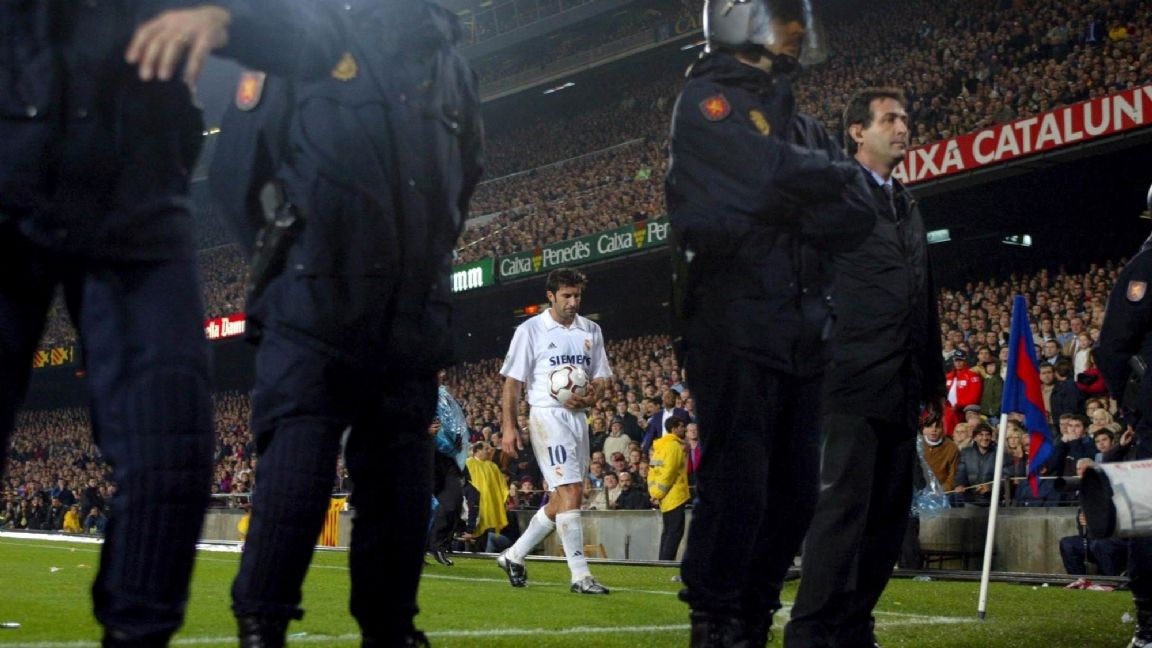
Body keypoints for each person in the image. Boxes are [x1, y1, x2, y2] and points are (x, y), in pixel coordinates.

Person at [0, 3, 295, 644]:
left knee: (171, 454)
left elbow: (313, 37)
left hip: (136, 189)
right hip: (12, 171)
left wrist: (228, 17)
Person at [209, 2, 483, 645]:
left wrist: (423, 265)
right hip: (313, 309)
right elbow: (235, 172)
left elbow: (464, 177)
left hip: (408, 314)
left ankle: (391, 630)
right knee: (298, 467)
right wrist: (291, 265)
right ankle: (263, 624)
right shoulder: (296, 39)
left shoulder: (451, 67)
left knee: (400, 483)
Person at [666, 1, 877, 644]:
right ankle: (716, 620)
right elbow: (759, 180)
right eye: (782, 17)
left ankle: (754, 616)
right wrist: (816, 183)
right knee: (738, 487)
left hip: (803, 330)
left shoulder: (802, 124)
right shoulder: (705, 102)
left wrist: (791, 192)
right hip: (732, 324)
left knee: (795, 496)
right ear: (741, 19)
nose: (796, 31)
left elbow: (860, 208)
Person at [785, 87, 944, 648]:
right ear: (857, 131)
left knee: (886, 522)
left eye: (906, 118)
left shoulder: (908, 205)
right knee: (840, 516)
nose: (903, 128)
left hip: (900, 386)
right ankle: (809, 634)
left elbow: (924, 295)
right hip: (846, 384)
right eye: (890, 119)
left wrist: (932, 381)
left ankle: (853, 629)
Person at [495, 268, 614, 594]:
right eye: (566, 296)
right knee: (571, 490)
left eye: (577, 296)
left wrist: (593, 395)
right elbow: (513, 383)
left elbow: (602, 377)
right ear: (550, 296)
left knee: (564, 498)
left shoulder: (591, 330)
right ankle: (580, 575)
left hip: (578, 418)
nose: (573, 302)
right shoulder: (530, 330)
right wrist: (509, 426)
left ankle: (513, 555)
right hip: (547, 417)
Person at [1092, 186, 1152, 648]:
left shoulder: (1145, 264)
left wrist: (1131, 405)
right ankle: (1150, 622)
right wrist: (1135, 405)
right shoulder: (1145, 266)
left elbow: (1112, 348)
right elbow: (1111, 348)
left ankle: (1150, 623)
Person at [427, 371, 469, 567]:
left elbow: (455, 421)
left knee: (453, 500)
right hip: (422, 455)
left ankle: (438, 546)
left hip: (446, 457)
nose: (442, 374)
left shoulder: (444, 396)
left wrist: (458, 438)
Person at [649, 416, 691, 561]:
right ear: (674, 429)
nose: (684, 429)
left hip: (664, 497)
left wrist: (654, 493)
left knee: (668, 531)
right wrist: (659, 494)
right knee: (674, 532)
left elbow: (652, 472)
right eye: (681, 426)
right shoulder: (674, 446)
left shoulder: (660, 447)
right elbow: (669, 473)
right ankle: (666, 563)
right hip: (674, 496)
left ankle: (662, 562)